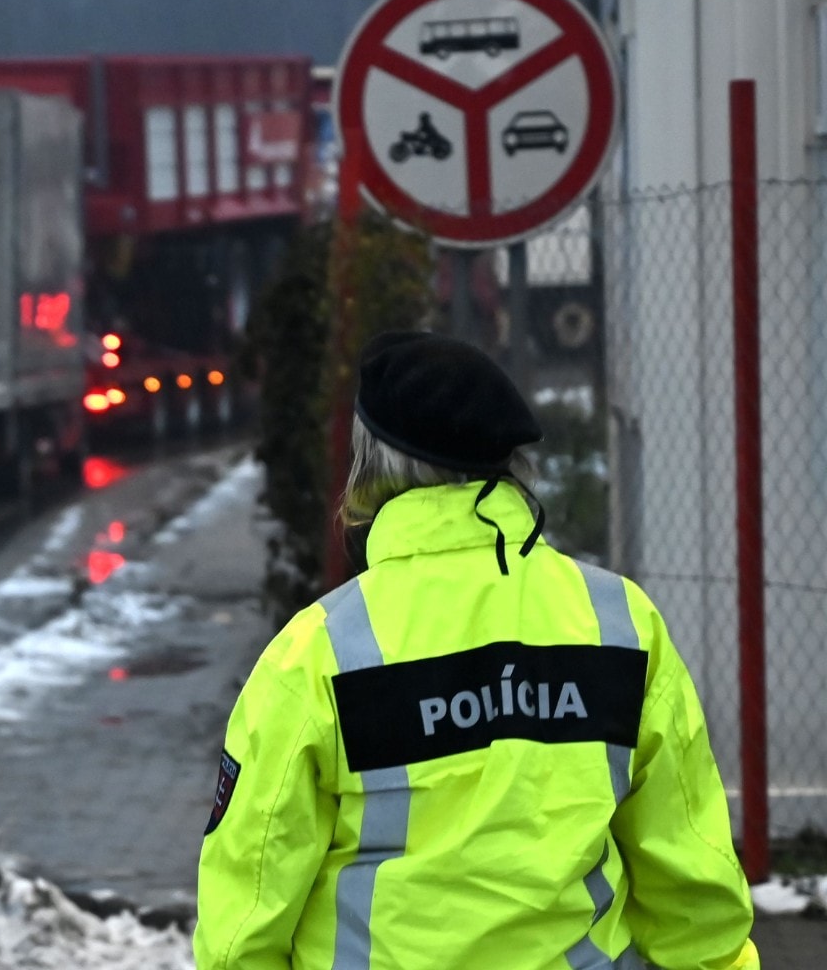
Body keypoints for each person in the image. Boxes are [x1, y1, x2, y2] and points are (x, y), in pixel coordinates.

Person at [193, 332, 758, 970]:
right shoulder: (620, 623)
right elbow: (694, 888)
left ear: (369, 468)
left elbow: (244, 921)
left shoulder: (315, 655)